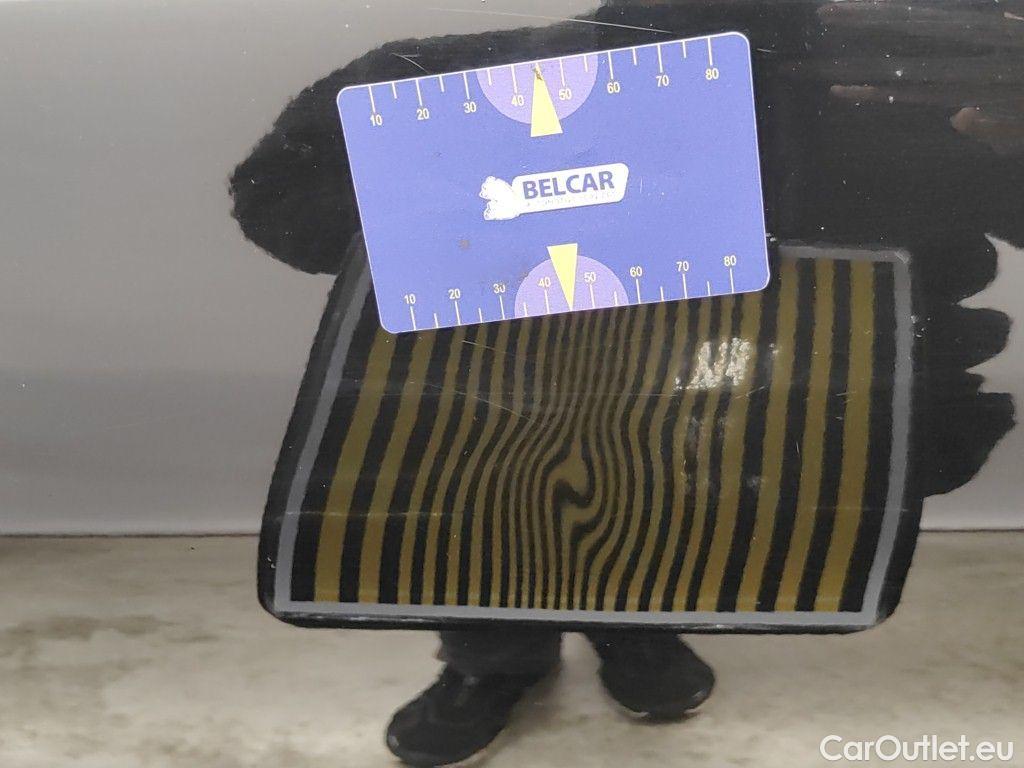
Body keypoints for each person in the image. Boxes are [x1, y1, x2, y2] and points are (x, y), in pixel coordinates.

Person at [230, 2, 1020, 765]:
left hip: (719, 403)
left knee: (658, 524)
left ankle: (633, 628)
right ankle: (492, 663)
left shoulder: (913, 95)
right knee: (484, 521)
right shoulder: (485, 73)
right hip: (493, 386)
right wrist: (481, 206)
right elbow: (278, 199)